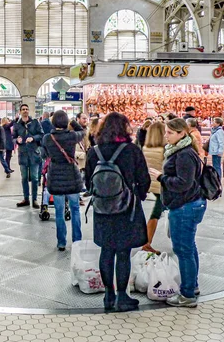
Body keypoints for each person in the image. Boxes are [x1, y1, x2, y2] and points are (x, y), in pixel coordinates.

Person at [84, 112, 151, 312]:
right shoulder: (131, 150)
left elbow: (88, 181)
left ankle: (108, 295)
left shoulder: (94, 151)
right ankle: (123, 297)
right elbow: (144, 178)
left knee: (106, 250)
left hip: (102, 209)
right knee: (123, 252)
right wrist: (137, 195)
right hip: (127, 209)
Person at [148, 118, 205, 308]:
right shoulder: (183, 151)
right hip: (188, 205)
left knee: (183, 250)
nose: (166, 135)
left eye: (170, 132)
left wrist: (161, 177)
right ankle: (192, 285)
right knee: (189, 247)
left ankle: (187, 294)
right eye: (166, 132)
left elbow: (183, 183)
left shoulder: (184, 155)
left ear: (182, 133)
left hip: (184, 207)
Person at [42, 111, 85, 251]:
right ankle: (77, 241)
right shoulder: (72, 136)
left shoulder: (48, 138)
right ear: (66, 122)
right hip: (72, 176)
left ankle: (61, 242)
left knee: (59, 212)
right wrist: (73, 122)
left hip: (56, 177)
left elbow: (45, 155)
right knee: (75, 210)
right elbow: (82, 131)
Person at [141, 122, 165, 254]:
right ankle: (147, 243)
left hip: (149, 185)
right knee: (154, 215)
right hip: (160, 186)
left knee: (151, 214)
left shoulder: (145, 148)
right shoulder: (164, 150)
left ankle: (146, 241)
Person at [14, 104, 44, 208]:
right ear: (20, 111)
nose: (25, 111)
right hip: (23, 154)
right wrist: (17, 140)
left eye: (27, 109)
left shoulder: (35, 122)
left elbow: (41, 134)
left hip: (33, 154)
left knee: (35, 178)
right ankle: (26, 198)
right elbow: (13, 137)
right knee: (24, 178)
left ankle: (34, 199)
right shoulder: (17, 124)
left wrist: (33, 138)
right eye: (23, 109)